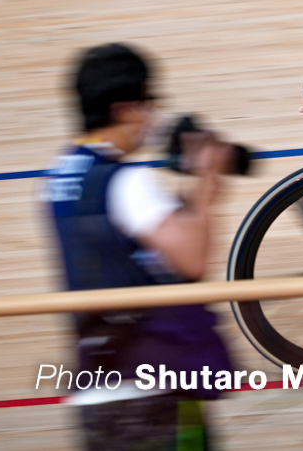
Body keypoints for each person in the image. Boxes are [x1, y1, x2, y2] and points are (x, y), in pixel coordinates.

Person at [46, 44, 235, 451]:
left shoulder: (60, 177)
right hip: (153, 387)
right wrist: (205, 185)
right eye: (150, 104)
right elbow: (192, 260)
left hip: (95, 388)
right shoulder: (127, 180)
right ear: (126, 110)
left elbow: (124, 250)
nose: (154, 117)